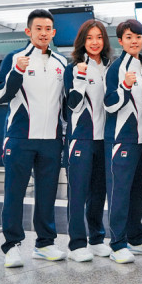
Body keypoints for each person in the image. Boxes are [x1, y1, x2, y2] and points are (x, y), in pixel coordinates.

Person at [0, 9, 68, 268]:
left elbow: (66, 103)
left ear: (53, 32)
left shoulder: (61, 63)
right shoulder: (14, 58)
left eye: (48, 29)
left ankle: (45, 243)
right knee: (14, 192)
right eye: (39, 28)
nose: (44, 33)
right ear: (29, 31)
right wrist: (16, 72)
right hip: (20, 138)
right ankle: (12, 245)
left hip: (51, 139)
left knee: (47, 193)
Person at [63, 20, 113, 262]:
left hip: (104, 140)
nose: (95, 42)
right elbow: (71, 106)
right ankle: (76, 243)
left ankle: (96, 238)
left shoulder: (111, 68)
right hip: (81, 138)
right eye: (90, 37)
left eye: (99, 37)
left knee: (98, 193)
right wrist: (80, 80)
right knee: (78, 193)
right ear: (83, 41)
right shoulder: (74, 68)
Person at [104, 19, 142, 264]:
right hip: (122, 139)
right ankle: (117, 243)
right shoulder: (116, 68)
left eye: (138, 37)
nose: (134, 41)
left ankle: (135, 237)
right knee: (119, 192)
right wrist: (124, 86)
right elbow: (109, 104)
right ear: (121, 41)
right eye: (129, 37)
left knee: (138, 192)